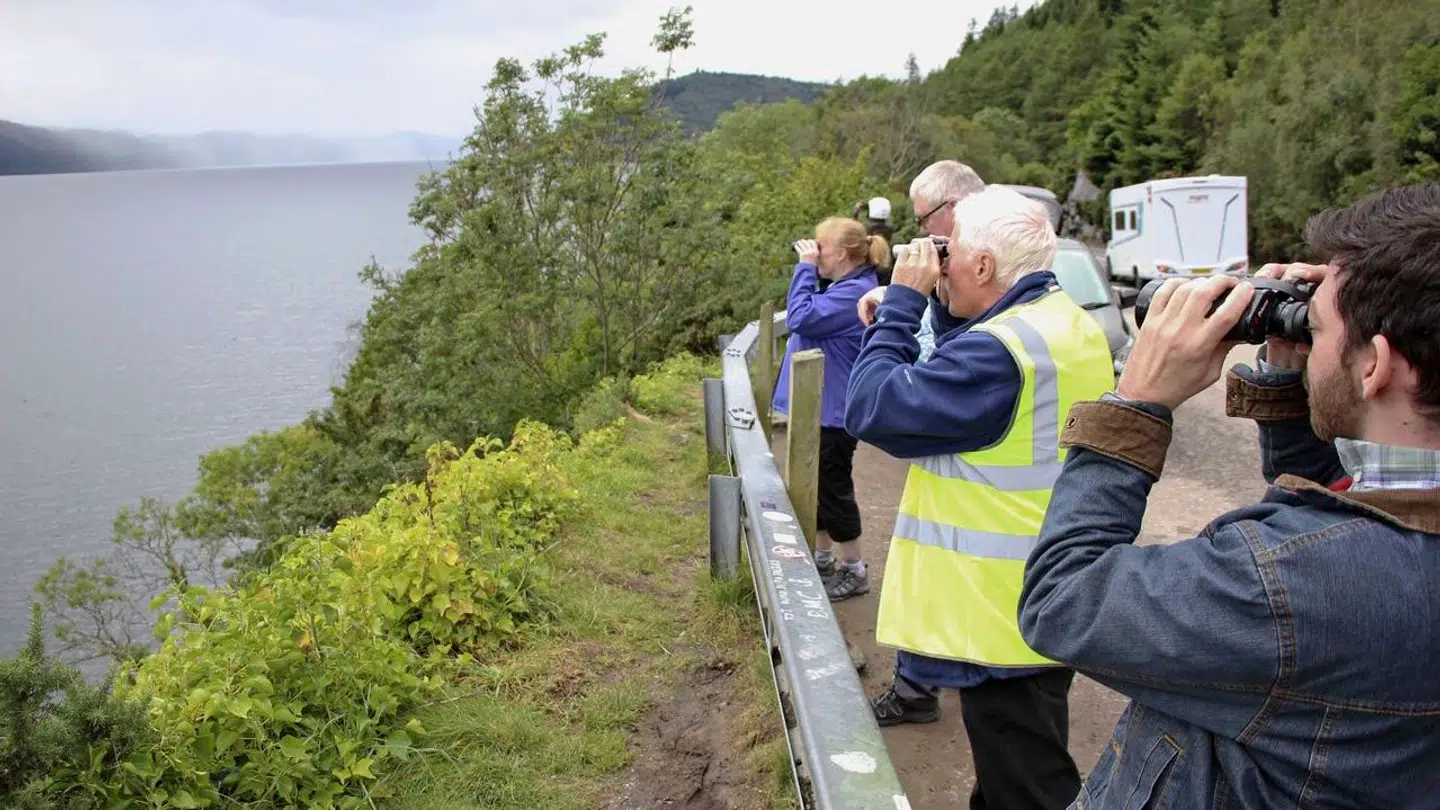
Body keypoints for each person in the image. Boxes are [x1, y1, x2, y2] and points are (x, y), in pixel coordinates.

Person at [1017, 182, 1440, 808]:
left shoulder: (1294, 583)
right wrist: (1292, 375)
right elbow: (1342, 509)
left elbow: (1063, 600)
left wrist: (1138, 400)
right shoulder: (1375, 543)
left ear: (1375, 365)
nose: (1309, 334)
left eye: (1317, 328)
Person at [846, 185, 1113, 810]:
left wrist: (901, 307)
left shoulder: (999, 354)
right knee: (1007, 774)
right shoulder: (1057, 322)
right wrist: (936, 305)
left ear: (984, 267)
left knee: (1028, 785)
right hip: (1045, 587)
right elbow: (975, 387)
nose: (939, 261)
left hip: (1000, 615)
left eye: (950, 251)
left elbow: (872, 407)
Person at [773, 216, 885, 601]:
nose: (815, 252)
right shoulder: (846, 288)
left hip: (834, 414)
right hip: (823, 409)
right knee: (817, 487)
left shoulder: (853, 294)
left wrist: (805, 268)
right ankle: (822, 559)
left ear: (844, 253)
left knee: (833, 490)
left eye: (821, 247)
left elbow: (800, 316)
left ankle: (854, 569)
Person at [857, 161, 988, 361]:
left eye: (923, 219)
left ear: (954, 207)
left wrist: (897, 307)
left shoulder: (983, 266)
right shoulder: (980, 259)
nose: (922, 230)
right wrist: (886, 294)